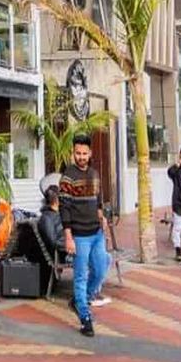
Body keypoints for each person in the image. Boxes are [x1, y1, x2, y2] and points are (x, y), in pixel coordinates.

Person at [59, 133, 110, 337]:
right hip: (79, 236)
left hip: (96, 233)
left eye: (84, 153)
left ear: (90, 154)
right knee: (80, 277)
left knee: (100, 270)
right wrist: (68, 237)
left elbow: (98, 199)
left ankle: (80, 300)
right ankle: (85, 318)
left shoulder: (95, 174)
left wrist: (101, 216)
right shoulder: (68, 177)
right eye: (77, 153)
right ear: (73, 153)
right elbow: (64, 208)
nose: (81, 157)